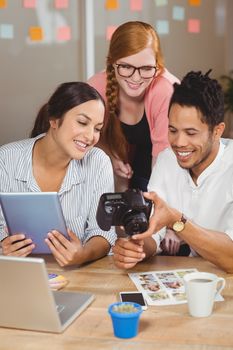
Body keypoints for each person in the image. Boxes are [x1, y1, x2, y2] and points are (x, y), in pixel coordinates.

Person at [112, 70, 233, 273]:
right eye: (173, 130)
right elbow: (153, 236)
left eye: (191, 133)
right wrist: (138, 248)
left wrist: (178, 221)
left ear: (217, 131)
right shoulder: (168, 160)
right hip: (195, 276)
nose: (179, 143)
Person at [0, 82, 116, 266]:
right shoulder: (6, 160)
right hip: (21, 274)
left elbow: (104, 233)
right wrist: (3, 247)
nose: (90, 136)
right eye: (82, 122)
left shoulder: (98, 162)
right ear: (54, 120)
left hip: (79, 275)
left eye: (97, 128)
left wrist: (83, 254)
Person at [88, 21, 179, 191]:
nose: (136, 78)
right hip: (114, 166)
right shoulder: (96, 86)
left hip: (159, 166)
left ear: (157, 66)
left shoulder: (166, 91)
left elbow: (165, 160)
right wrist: (111, 157)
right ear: (112, 63)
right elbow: (84, 137)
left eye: (146, 68)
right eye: (126, 66)